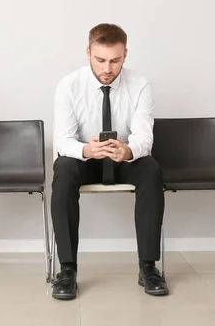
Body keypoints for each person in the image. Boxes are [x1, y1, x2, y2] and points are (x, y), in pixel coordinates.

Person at [51, 23, 168, 300]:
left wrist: (127, 151)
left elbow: (144, 138)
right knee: (63, 167)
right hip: (86, 158)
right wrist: (86, 151)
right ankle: (67, 269)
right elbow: (63, 141)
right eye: (100, 60)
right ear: (88, 52)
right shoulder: (69, 85)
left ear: (125, 54)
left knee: (150, 168)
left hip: (122, 157)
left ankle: (148, 267)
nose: (107, 68)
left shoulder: (140, 85)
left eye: (115, 61)